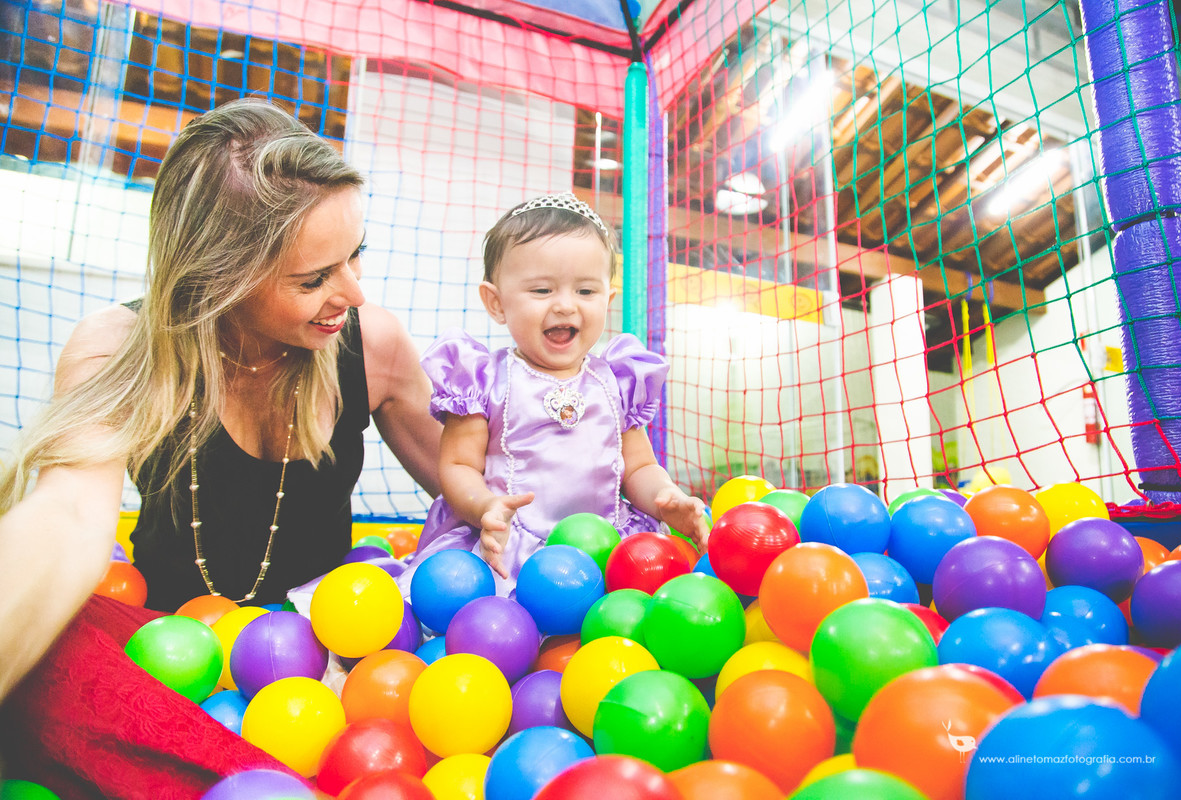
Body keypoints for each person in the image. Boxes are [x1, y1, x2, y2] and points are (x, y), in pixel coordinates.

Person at [0, 98, 442, 792]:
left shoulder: (374, 346)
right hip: (170, 666)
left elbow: (475, 483)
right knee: (62, 633)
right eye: (314, 278)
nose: (352, 293)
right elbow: (68, 519)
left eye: (355, 255)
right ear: (220, 277)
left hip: (335, 679)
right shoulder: (120, 351)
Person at [399, 192, 709, 597]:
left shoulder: (616, 380)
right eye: (542, 290)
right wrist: (484, 508)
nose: (565, 305)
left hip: (607, 551)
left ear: (608, 300)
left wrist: (665, 498)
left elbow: (637, 469)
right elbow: (457, 466)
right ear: (496, 303)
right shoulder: (485, 380)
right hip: (511, 551)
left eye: (585, 292)